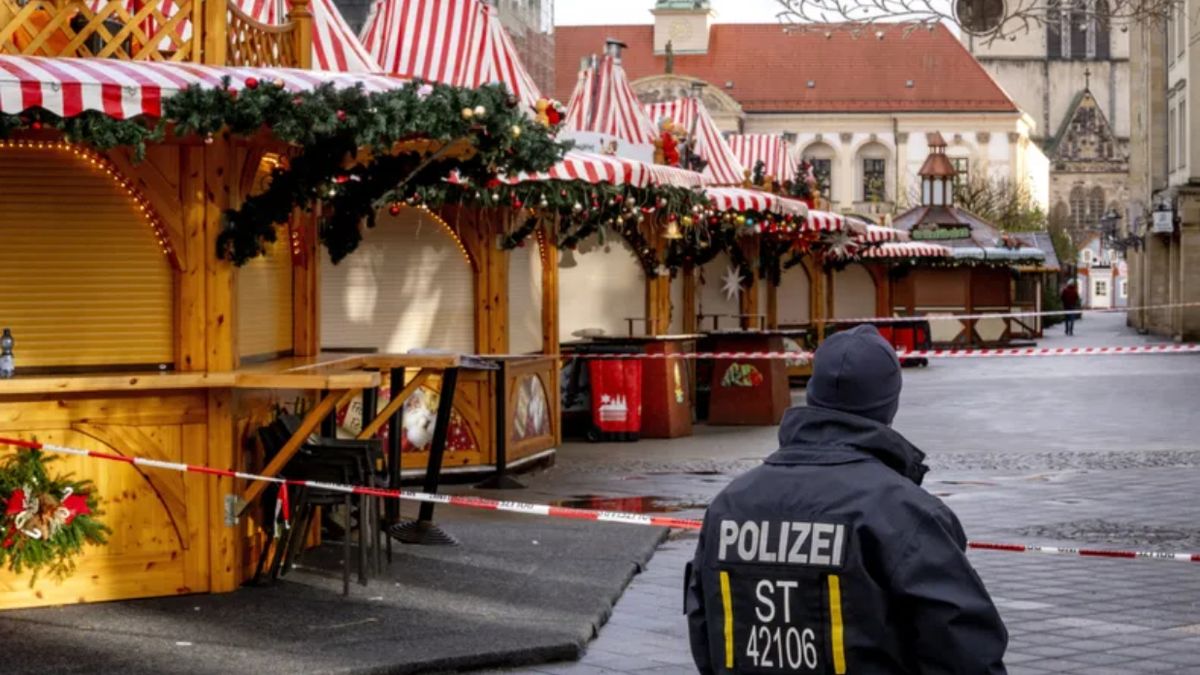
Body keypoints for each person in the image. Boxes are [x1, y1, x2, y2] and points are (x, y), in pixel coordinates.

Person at [685, 325, 1007, 674]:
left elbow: (706, 633)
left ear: (812, 394)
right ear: (889, 406)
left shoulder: (729, 505)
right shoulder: (905, 515)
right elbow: (965, 653)